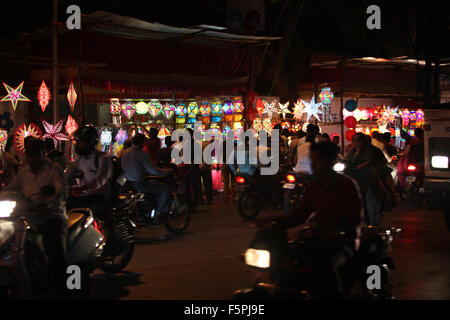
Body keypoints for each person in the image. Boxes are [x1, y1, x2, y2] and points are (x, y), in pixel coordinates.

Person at [260, 142, 363, 298]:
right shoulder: (314, 186)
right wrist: (274, 221)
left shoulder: (347, 185)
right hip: (318, 240)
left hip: (343, 242)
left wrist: (339, 231)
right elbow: (300, 215)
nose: (313, 164)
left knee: (326, 268)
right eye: (311, 159)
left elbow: (354, 219)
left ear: (329, 161)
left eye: (317, 160)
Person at [5, 138, 68, 295]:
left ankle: (64, 290)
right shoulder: (24, 172)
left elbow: (61, 192)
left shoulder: (54, 170)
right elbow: (12, 188)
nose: (32, 159)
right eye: (29, 155)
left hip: (52, 216)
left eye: (35, 155)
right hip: (29, 217)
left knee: (55, 251)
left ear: (43, 154)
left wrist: (47, 205)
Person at [65, 125, 113, 220]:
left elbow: (100, 180)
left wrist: (84, 188)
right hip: (84, 197)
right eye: (77, 141)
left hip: (99, 197)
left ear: (90, 142)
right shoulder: (80, 159)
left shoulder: (103, 158)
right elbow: (67, 176)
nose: (78, 144)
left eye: (81, 141)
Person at [121, 134, 171, 216]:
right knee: (165, 189)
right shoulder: (141, 154)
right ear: (142, 143)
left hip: (127, 183)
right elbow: (152, 170)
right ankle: (158, 213)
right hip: (139, 183)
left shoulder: (125, 152)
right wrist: (166, 172)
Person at [345, 133, 387, 225]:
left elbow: (369, 162)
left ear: (363, 141)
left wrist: (360, 167)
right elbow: (346, 161)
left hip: (367, 180)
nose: (355, 142)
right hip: (355, 178)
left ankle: (373, 221)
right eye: (354, 140)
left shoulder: (369, 151)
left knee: (370, 200)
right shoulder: (352, 151)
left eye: (358, 140)